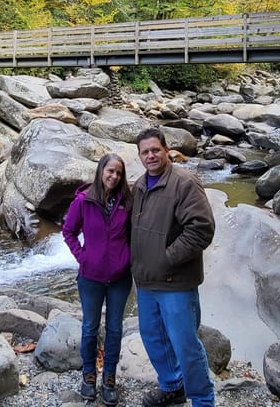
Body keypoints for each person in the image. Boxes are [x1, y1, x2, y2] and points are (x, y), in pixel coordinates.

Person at [131, 127, 216, 407]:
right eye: (145, 152)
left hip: (176, 282)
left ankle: (203, 399)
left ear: (167, 150)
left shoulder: (184, 183)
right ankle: (172, 386)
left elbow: (201, 229)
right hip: (146, 282)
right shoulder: (140, 186)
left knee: (186, 346)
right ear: (140, 156)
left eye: (155, 150)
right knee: (153, 338)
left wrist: (167, 258)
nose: (151, 156)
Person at [62, 153, 133, 405]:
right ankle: (89, 376)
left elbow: (134, 235)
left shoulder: (127, 201)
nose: (114, 176)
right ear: (101, 170)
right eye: (110, 171)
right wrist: (83, 257)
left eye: (118, 173)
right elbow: (68, 231)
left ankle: (109, 378)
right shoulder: (83, 201)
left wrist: (129, 257)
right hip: (90, 277)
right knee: (90, 328)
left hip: (120, 278)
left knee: (115, 329)